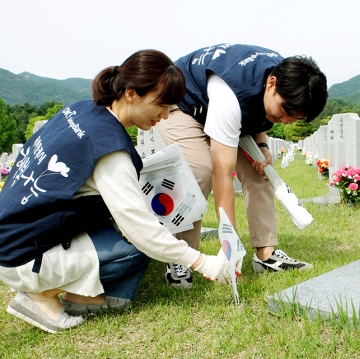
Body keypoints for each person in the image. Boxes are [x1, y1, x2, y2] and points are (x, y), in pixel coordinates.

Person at [0, 50, 230, 333]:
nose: (166, 115)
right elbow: (140, 230)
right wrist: (203, 262)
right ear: (131, 93)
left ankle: (91, 297)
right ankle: (39, 295)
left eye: (171, 106)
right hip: (23, 255)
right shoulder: (109, 149)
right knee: (139, 244)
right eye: (161, 104)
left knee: (129, 259)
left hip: (13, 238)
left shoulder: (80, 109)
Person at [156, 43, 328, 287]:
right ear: (271, 84)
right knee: (198, 172)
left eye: (295, 118)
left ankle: (265, 255)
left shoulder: (286, 81)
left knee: (261, 171)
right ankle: (181, 257)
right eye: (285, 110)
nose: (286, 121)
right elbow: (222, 174)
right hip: (185, 105)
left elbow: (258, 115)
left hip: (224, 109)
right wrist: (231, 243)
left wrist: (263, 148)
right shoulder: (232, 93)